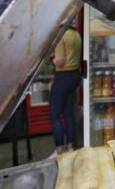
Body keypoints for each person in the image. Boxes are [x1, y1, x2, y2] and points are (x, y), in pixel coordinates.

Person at [48, 22, 82, 158]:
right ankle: (70, 147)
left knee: (54, 114)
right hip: (74, 75)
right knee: (68, 114)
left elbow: (60, 61)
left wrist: (51, 59)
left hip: (62, 76)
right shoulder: (76, 34)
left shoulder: (61, 36)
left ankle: (59, 150)